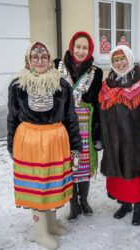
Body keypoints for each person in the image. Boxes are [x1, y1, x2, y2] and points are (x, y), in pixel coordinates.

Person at [7, 41, 82, 249]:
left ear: (50, 60)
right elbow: (12, 117)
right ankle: (40, 232)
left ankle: (51, 223)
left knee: (52, 182)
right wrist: (11, 145)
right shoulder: (17, 85)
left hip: (56, 141)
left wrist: (76, 147)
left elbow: (70, 118)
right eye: (35, 57)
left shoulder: (62, 85)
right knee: (36, 186)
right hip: (29, 142)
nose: (39, 61)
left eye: (44, 57)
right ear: (28, 60)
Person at [98, 45, 140, 226]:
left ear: (130, 58)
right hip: (113, 140)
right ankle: (125, 205)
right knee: (118, 176)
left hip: (135, 141)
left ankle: (138, 207)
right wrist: (101, 137)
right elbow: (102, 113)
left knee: (134, 177)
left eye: (122, 59)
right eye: (116, 60)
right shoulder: (107, 83)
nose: (119, 63)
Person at [54, 31, 103, 222]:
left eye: (85, 48)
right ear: (71, 47)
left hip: (86, 125)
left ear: (90, 50)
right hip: (64, 126)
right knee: (68, 165)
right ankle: (73, 204)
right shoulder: (57, 66)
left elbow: (96, 103)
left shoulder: (95, 72)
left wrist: (97, 133)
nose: (81, 51)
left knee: (83, 164)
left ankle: (84, 200)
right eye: (78, 47)